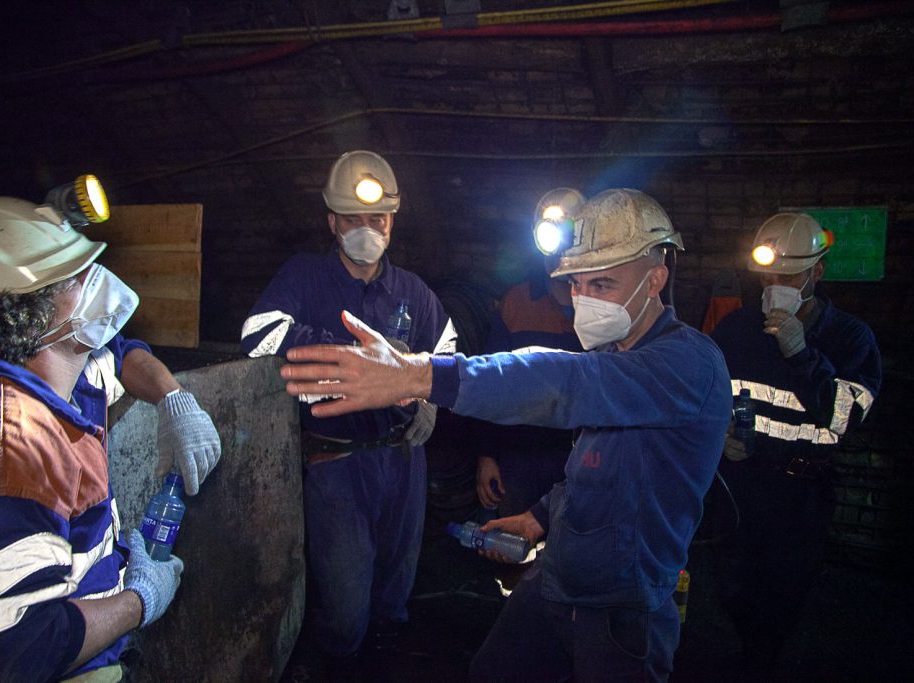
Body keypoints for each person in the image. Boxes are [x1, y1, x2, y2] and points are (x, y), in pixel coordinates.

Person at [278, 188, 732, 682]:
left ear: (655, 280)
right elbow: (598, 468)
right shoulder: (615, 354)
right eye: (576, 284)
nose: (583, 299)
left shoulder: (688, 363)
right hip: (559, 579)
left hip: (622, 604)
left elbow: (564, 382)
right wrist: (538, 518)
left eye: (602, 284)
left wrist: (419, 375)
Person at [0, 194, 222, 682]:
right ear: (25, 310)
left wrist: (174, 399)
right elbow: (18, 653)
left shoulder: (56, 370)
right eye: (76, 275)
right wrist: (139, 600)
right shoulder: (8, 457)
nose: (98, 281)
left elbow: (123, 356)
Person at [239, 151, 456, 665]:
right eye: (354, 218)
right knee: (344, 602)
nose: (368, 228)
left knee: (394, 584)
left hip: (403, 460)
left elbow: (448, 350)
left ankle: (382, 659)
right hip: (337, 464)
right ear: (332, 222)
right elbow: (258, 335)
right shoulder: (304, 277)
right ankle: (337, 661)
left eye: (378, 218)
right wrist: (351, 359)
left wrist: (429, 396)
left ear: (392, 223)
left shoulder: (412, 292)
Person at [709, 212, 881, 674]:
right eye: (769, 275)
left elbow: (845, 418)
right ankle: (748, 657)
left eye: (789, 275)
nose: (776, 283)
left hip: (801, 494)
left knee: (783, 597)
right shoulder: (735, 330)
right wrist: (720, 438)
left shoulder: (850, 338)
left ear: (816, 273)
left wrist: (802, 353)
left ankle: (762, 665)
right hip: (742, 484)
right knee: (732, 588)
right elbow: (707, 399)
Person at [474, 188, 585, 527]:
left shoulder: (601, 303)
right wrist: (487, 455)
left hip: (581, 458)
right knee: (513, 553)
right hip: (520, 457)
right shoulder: (517, 301)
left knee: (571, 552)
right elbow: (489, 382)